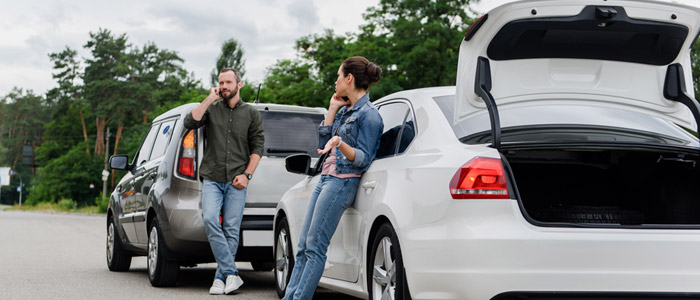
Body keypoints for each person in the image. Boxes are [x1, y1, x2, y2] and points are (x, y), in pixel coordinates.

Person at [283, 56, 384, 300]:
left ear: (349, 78)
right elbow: (321, 146)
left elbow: (363, 158)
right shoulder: (345, 111)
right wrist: (331, 109)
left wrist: (341, 144)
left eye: (338, 76)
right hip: (326, 179)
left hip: (342, 182)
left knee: (316, 247)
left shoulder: (370, 115)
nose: (335, 81)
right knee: (304, 245)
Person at [183, 68, 264, 295]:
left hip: (238, 179)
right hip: (212, 177)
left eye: (228, 82)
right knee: (210, 219)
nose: (224, 86)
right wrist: (209, 98)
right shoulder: (212, 109)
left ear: (239, 84)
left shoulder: (251, 113)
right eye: (221, 82)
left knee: (231, 229)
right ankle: (232, 273)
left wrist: (247, 175)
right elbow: (190, 122)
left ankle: (220, 278)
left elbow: (257, 147)